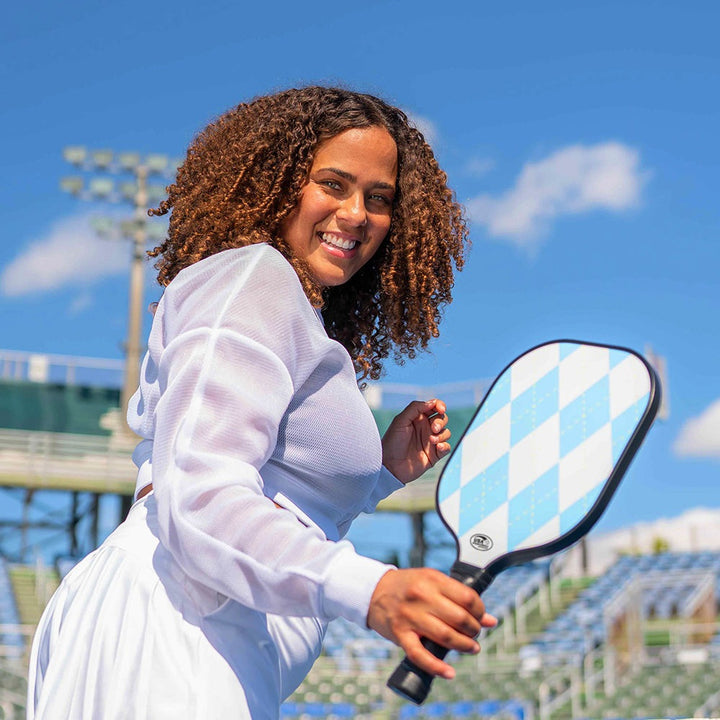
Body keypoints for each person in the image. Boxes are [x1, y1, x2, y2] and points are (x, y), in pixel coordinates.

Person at [27, 86, 496, 720]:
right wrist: (373, 588)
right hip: (180, 624)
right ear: (274, 184)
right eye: (333, 184)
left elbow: (275, 493)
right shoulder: (252, 276)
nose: (357, 213)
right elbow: (198, 499)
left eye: (379, 198)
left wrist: (375, 476)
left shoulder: (282, 305)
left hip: (191, 623)